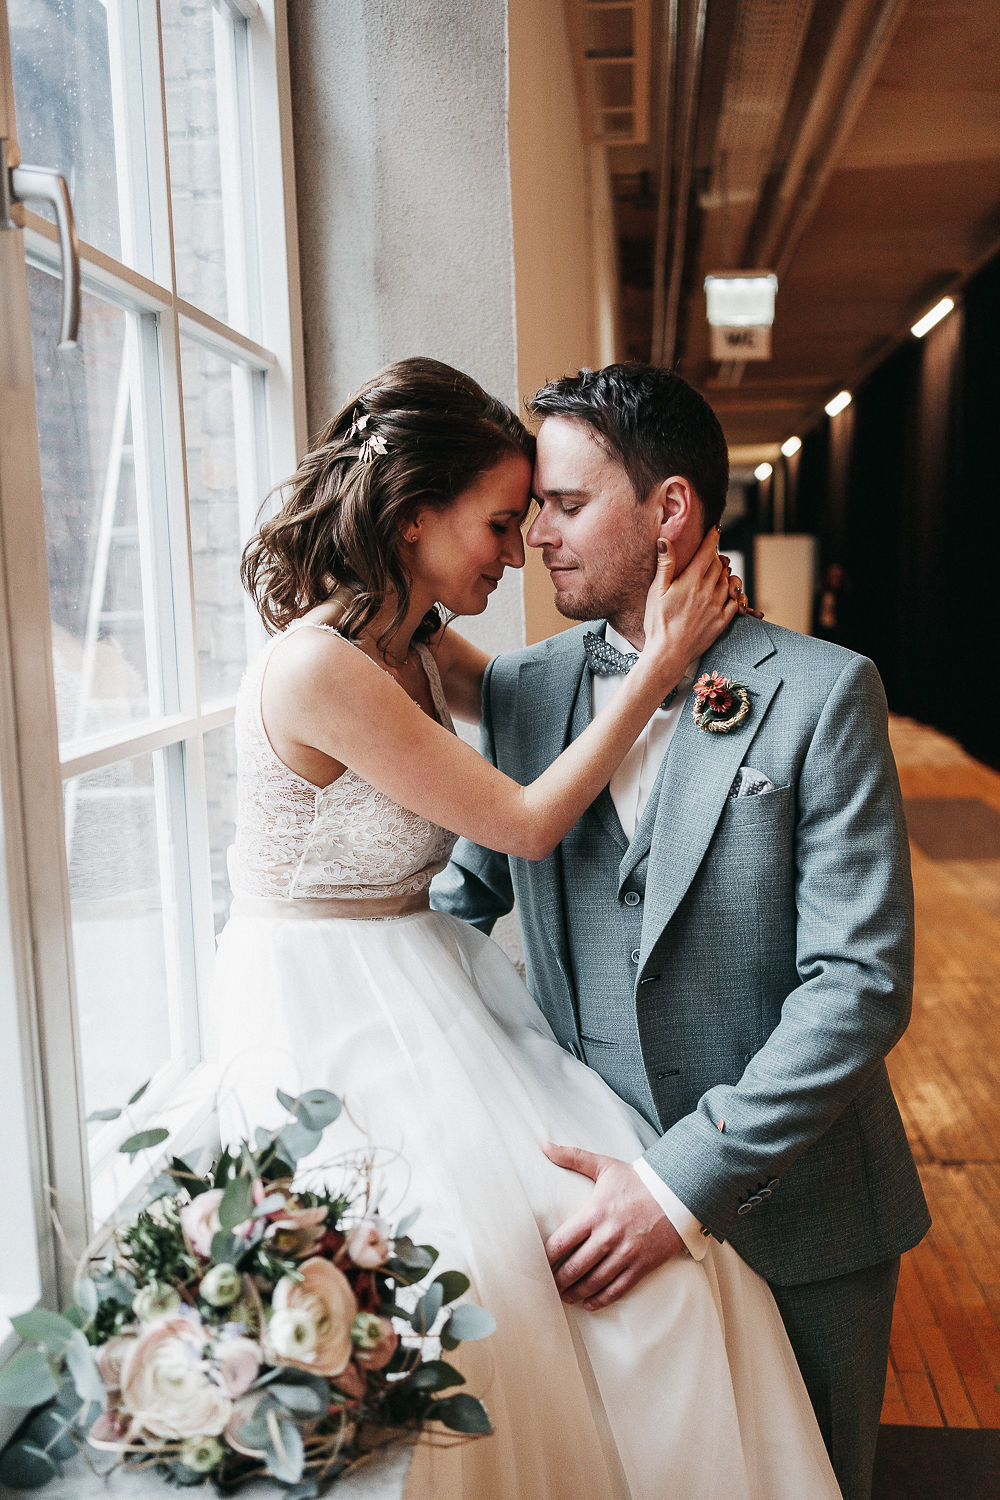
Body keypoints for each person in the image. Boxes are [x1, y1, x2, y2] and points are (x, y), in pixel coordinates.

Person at [215, 356, 840, 1498]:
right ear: (413, 520)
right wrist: (658, 666)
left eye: (548, 512)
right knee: (462, 1300)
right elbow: (521, 821)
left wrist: (672, 661)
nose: (519, 552)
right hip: (331, 1012)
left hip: (431, 988)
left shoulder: (414, 642)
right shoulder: (321, 667)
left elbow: (526, 702)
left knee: (619, 1283)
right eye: (506, 522)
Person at [432, 362, 931, 1500]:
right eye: (531, 512)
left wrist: (675, 1189)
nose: (534, 540)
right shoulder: (517, 693)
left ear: (669, 511)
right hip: (582, 1220)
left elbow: (856, 983)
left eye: (564, 504)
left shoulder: (821, 692)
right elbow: (464, 904)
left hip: (800, 1222)